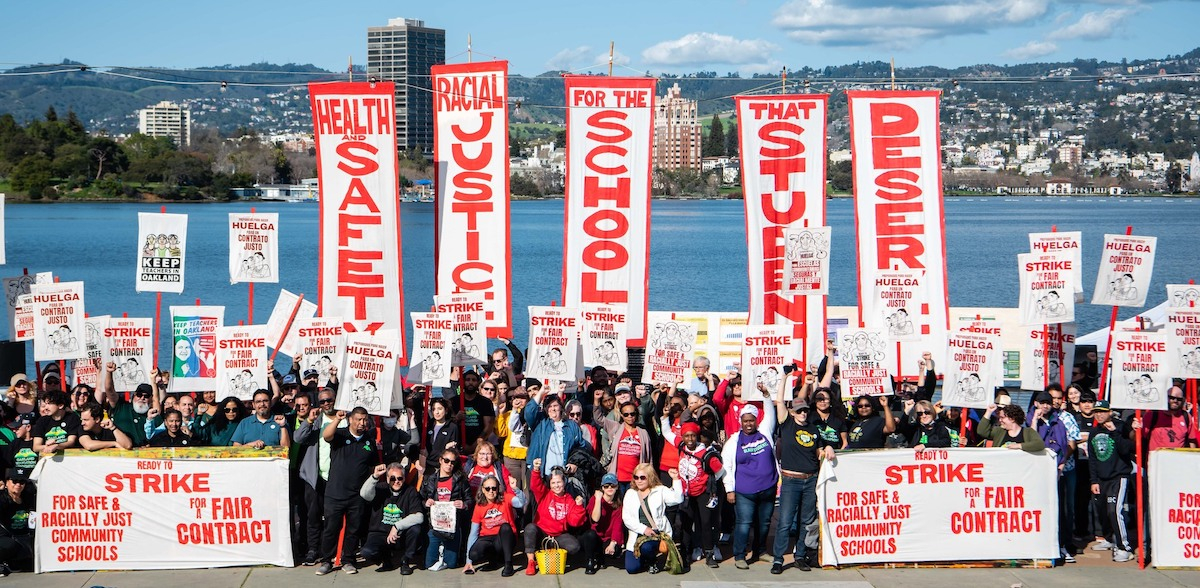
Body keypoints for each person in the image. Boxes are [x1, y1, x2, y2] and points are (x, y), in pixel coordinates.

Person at [772, 381, 835, 574]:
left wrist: (827, 448)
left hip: (810, 480)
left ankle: (800, 556)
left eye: (805, 411)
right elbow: (780, 400)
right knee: (784, 521)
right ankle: (778, 559)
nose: (803, 414)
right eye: (799, 411)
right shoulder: (787, 424)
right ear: (792, 412)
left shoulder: (814, 429)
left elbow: (819, 451)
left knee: (806, 521)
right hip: (791, 480)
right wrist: (785, 376)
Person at [315, 407, 378, 576]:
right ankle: (326, 561)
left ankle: (348, 560)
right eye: (358, 419)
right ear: (350, 419)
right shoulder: (340, 434)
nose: (361, 423)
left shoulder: (369, 441)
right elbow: (326, 436)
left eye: (364, 420)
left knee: (353, 530)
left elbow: (373, 464)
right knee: (330, 529)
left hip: (357, 496)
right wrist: (336, 419)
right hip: (335, 493)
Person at [722, 397, 778, 569]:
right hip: (745, 491)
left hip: (768, 487)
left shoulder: (765, 432)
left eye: (751, 420)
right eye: (745, 421)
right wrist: (729, 490)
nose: (748, 424)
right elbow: (727, 466)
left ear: (756, 420)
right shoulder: (734, 441)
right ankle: (740, 555)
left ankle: (760, 551)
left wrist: (766, 396)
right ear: (740, 422)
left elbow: (770, 414)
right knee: (744, 524)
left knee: (764, 523)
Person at [662, 418, 723, 568]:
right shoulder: (681, 445)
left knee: (706, 522)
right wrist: (664, 418)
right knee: (685, 523)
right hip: (686, 494)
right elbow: (666, 433)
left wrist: (709, 481)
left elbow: (720, 470)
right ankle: (686, 554)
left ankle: (709, 554)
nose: (690, 439)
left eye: (693, 436)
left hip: (702, 493)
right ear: (682, 437)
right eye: (686, 436)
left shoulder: (704, 453)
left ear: (697, 436)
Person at [1087, 401, 1136, 563]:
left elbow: (1127, 449)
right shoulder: (1094, 432)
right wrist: (1094, 480)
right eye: (1096, 412)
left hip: (1119, 476)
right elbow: (1092, 459)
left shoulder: (1121, 426)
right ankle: (1109, 539)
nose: (1099, 415)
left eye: (1102, 411)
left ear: (1109, 412)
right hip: (1101, 478)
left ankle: (1124, 547)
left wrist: (1115, 432)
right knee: (1102, 510)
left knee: (1114, 510)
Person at [1028, 391, 1074, 563]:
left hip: (1055, 471)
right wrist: (1035, 421)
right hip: (1036, 471)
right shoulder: (1029, 419)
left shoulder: (1058, 421)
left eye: (1048, 402)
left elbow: (1063, 444)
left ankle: (1061, 545)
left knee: (1058, 509)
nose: (1045, 406)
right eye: (1042, 402)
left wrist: (1062, 464)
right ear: (1036, 404)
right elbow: (1032, 440)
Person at [524, 459, 590, 575]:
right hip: (542, 533)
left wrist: (579, 507)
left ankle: (552, 553)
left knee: (574, 546)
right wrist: (536, 470)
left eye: (559, 482)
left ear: (564, 483)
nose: (556, 485)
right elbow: (535, 485)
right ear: (549, 484)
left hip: (558, 536)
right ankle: (531, 561)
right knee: (530, 528)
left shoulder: (569, 499)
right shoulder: (544, 494)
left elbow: (574, 522)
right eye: (553, 483)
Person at [359, 462, 424, 575]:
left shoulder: (410, 491)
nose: (396, 481)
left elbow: (419, 516)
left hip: (400, 534)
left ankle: (405, 561)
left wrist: (396, 526)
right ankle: (386, 559)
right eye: (393, 478)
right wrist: (374, 477)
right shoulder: (380, 488)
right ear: (388, 478)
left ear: (404, 478)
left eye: (400, 478)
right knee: (366, 552)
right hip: (380, 533)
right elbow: (364, 494)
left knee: (416, 529)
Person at [622, 463, 684, 574]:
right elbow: (626, 518)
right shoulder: (630, 493)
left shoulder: (659, 490)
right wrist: (643, 529)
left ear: (650, 477)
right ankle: (644, 559)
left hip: (656, 533)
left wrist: (676, 479)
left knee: (646, 548)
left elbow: (678, 499)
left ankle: (652, 561)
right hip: (638, 533)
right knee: (632, 569)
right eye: (636, 477)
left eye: (642, 477)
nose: (639, 481)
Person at [421, 448, 472, 571]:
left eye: (452, 462)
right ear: (440, 460)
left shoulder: (460, 480)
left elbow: (470, 500)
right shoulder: (429, 480)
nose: (449, 464)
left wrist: (464, 504)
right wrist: (425, 503)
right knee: (429, 565)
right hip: (434, 527)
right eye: (447, 460)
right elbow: (420, 499)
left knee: (452, 564)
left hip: (452, 528)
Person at [465, 473, 526, 576]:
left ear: (498, 489)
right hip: (487, 538)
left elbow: (521, 503)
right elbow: (473, 533)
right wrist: (468, 562)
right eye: (487, 488)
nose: (491, 491)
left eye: (494, 488)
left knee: (505, 527)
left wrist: (515, 488)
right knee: (473, 554)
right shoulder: (479, 506)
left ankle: (508, 564)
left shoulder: (505, 498)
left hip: (505, 537)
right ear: (483, 490)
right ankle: (492, 560)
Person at [524, 385, 587, 481]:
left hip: (563, 476)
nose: (553, 409)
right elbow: (529, 412)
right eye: (549, 406)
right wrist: (541, 392)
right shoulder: (540, 424)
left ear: (561, 408)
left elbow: (581, 447)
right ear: (546, 410)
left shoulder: (571, 426)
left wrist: (575, 463)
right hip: (542, 474)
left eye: (555, 406)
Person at [594, 398, 652, 494]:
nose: (629, 416)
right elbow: (599, 418)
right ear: (621, 415)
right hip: (617, 478)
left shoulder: (643, 433)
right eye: (626, 414)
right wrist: (596, 400)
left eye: (632, 414)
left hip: (635, 480)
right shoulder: (615, 427)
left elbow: (648, 458)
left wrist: (648, 477)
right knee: (618, 507)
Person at [588, 472, 625, 572]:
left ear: (617, 487)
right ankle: (591, 559)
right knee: (591, 536)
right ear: (602, 488)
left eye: (613, 485)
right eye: (606, 486)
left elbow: (618, 526)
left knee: (616, 551)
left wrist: (613, 543)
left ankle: (601, 556)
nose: (610, 488)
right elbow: (595, 519)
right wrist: (598, 500)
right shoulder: (594, 500)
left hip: (607, 537)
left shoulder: (618, 504)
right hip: (595, 535)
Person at [0, 469, 35, 575]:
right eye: (14, 481)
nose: (18, 484)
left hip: (24, 539)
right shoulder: (2, 498)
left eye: (22, 482)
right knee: (9, 545)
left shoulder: (29, 498)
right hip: (6, 538)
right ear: (7, 483)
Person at [496, 388, 529, 490]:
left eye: (523, 398)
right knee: (513, 488)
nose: (519, 401)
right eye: (516, 398)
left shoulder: (531, 414)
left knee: (527, 488)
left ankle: (527, 507)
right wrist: (501, 413)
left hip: (527, 457)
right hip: (511, 457)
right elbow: (501, 433)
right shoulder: (508, 414)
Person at [978, 404, 1046, 452]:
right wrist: (988, 412)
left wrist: (1019, 446)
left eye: (1002, 417)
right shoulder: (999, 431)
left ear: (1012, 419)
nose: (1000, 420)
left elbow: (1039, 444)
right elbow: (982, 431)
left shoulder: (1028, 432)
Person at [422, 397, 459, 473]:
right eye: (433, 409)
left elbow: (454, 449)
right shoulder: (427, 425)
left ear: (446, 410)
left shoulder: (452, 427)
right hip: (426, 464)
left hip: (441, 466)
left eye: (440, 409)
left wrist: (448, 448)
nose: (436, 412)